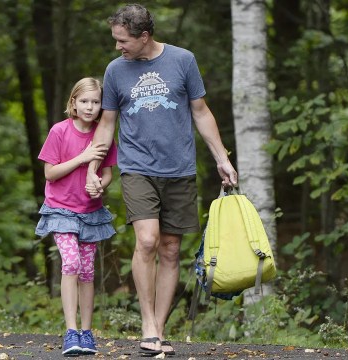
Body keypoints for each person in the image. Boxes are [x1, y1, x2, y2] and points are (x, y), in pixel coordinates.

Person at [85, 4, 238, 357]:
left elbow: (201, 112)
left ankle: (160, 327)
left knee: (170, 249)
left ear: (144, 36)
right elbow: (107, 123)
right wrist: (92, 168)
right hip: (137, 167)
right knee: (148, 240)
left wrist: (222, 159)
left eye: (123, 40)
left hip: (180, 169)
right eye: (115, 40)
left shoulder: (183, 61)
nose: (117, 47)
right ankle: (148, 326)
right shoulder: (115, 71)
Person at [35, 77, 118, 356]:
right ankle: (71, 332)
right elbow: (50, 173)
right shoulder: (59, 131)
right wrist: (83, 158)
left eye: (96, 102)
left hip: (89, 212)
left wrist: (99, 185)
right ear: (73, 103)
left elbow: (107, 174)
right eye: (84, 101)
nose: (90, 107)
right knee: (70, 264)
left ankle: (86, 332)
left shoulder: (103, 134)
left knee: (88, 271)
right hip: (61, 209)